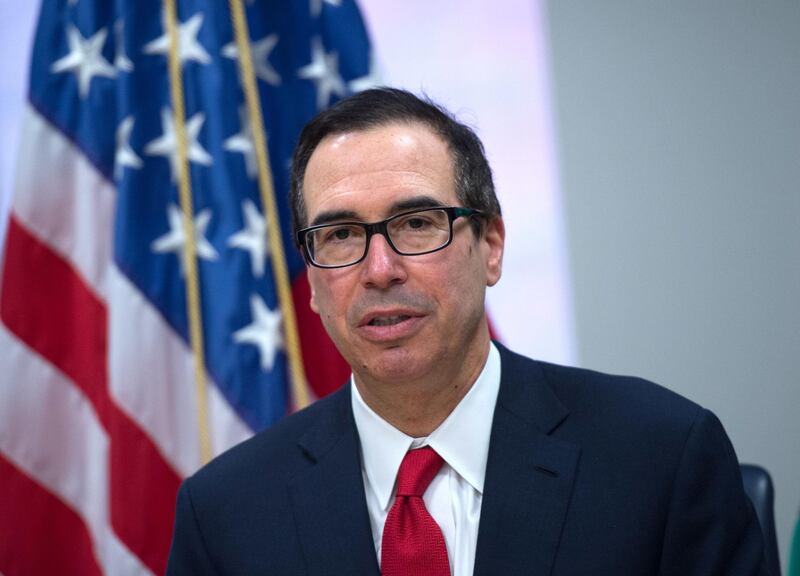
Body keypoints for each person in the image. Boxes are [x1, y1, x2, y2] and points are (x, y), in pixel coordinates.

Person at [167, 88, 768, 575]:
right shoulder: (224, 514)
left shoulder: (661, 458)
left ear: (492, 247)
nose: (380, 270)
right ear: (314, 282)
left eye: (418, 222)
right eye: (342, 235)